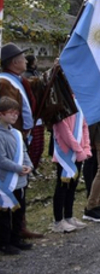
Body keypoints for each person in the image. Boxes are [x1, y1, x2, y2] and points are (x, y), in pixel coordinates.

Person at [0, 43, 44, 239]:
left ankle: (19, 226)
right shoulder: (4, 83)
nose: (26, 61)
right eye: (22, 58)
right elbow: (8, 111)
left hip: (21, 135)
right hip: (11, 137)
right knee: (11, 185)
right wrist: (18, 132)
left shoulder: (18, 80)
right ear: (14, 62)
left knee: (21, 185)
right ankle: (10, 231)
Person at [0, 97, 34, 255]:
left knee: (19, 211)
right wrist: (18, 168)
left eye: (16, 113)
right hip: (5, 181)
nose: (15, 116)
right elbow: (1, 159)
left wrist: (29, 166)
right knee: (5, 213)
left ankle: (16, 238)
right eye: (11, 113)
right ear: (1, 114)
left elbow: (24, 152)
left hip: (20, 180)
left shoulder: (16, 133)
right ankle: (4, 243)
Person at [51, 106, 91, 233]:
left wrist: (86, 148)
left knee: (73, 186)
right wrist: (78, 150)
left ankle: (69, 216)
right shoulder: (60, 106)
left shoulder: (77, 105)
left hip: (79, 154)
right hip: (65, 154)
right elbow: (64, 131)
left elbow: (84, 126)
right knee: (62, 186)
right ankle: (58, 220)